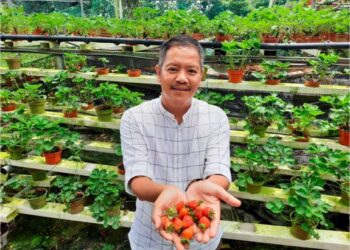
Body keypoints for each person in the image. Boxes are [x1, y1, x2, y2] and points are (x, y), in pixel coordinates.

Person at [120, 35, 241, 250]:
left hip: (201, 235)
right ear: (158, 73)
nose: (182, 78)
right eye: (173, 69)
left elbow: (220, 170)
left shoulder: (216, 117)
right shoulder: (134, 118)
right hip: (150, 236)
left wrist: (205, 187)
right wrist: (164, 192)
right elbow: (137, 178)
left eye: (191, 71)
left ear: (201, 75)